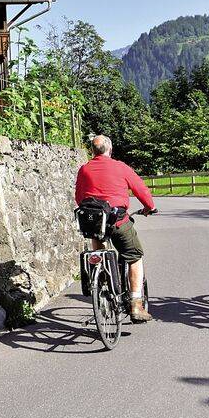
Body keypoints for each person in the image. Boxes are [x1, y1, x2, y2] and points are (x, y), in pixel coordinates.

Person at [75, 135, 157, 323]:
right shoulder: (120, 167)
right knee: (134, 256)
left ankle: (102, 284)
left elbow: (79, 197)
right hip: (117, 221)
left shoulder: (84, 169)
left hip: (93, 223)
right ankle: (136, 304)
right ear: (109, 150)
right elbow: (140, 189)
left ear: (93, 151)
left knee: (99, 250)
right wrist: (149, 207)